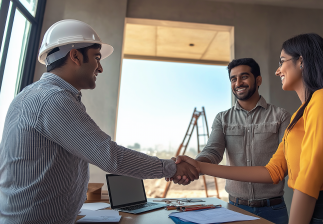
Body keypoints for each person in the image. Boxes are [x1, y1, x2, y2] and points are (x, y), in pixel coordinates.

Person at [0, 19, 198, 223]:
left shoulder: (34, 95)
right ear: (75, 56)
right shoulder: (53, 99)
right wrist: (171, 168)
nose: (100, 68)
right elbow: (109, 156)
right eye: (96, 57)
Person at [173, 33, 323, 224]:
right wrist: (198, 165)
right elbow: (272, 171)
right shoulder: (300, 115)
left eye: (282, 61)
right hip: (308, 211)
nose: (278, 71)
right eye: (233, 79)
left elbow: (309, 178)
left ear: (301, 62)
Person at [170, 58, 291, 224]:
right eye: (233, 79)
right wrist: (192, 167)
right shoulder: (222, 118)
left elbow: (284, 166)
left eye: (244, 77)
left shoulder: (281, 116)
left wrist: (196, 167)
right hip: (235, 208)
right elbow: (212, 151)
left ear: (258, 80)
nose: (238, 83)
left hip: (273, 209)